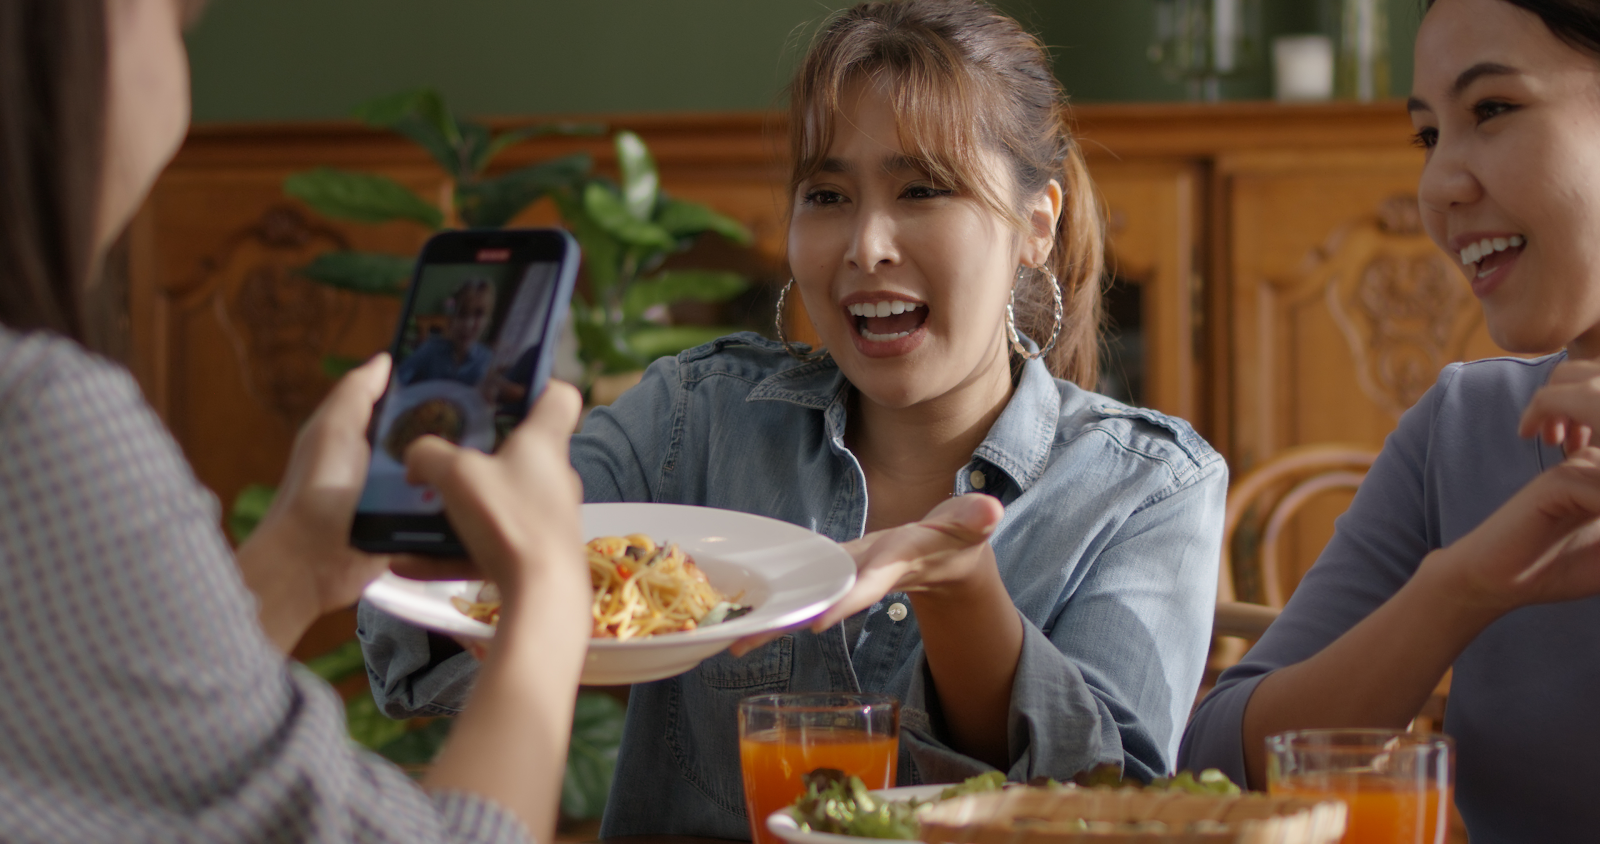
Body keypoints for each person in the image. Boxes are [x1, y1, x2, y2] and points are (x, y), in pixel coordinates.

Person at [362, 0, 1227, 837]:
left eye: (922, 190)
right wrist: (442, 492)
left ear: (1035, 227)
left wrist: (960, 592)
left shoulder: (1148, 489)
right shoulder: (691, 418)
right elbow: (418, 640)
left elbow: (1119, 807)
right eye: (826, 195)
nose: (866, 246)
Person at [0, 0, 591, 841]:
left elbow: (107, 737)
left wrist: (293, 564)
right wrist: (546, 592)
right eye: (177, 24)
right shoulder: (41, 421)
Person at [1180, 1, 1600, 839]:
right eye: (1428, 135)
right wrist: (1453, 594)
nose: (1440, 184)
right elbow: (1216, 765)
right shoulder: (1463, 427)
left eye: (1492, 110)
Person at [398, 277, 498, 387]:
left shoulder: (486, 360)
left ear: (488, 321)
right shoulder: (430, 349)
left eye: (478, 314)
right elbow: (399, 378)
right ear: (451, 320)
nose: (468, 324)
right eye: (462, 314)